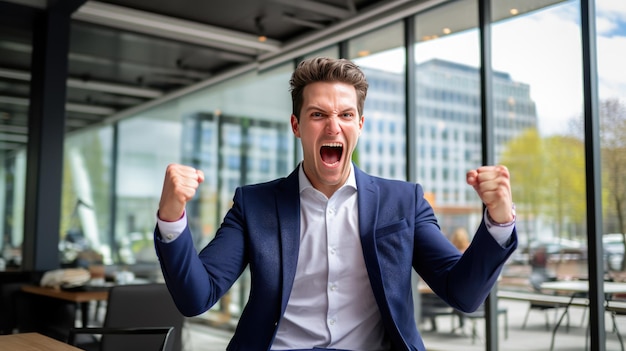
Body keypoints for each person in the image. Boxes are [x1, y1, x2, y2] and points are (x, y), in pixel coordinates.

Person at [154, 57, 518, 351]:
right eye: (318, 115)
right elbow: (196, 297)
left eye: (345, 115)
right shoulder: (254, 204)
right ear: (297, 125)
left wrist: (498, 221)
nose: (333, 126)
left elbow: (464, 294)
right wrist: (172, 217)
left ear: (359, 124)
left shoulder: (403, 202)